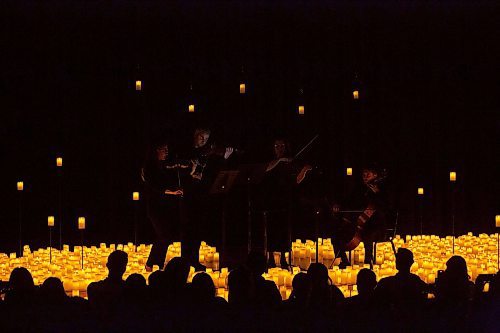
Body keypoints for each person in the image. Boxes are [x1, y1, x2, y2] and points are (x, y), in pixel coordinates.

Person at [182, 128, 234, 271]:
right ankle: (186, 260)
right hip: (189, 196)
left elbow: (213, 174)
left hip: (201, 196)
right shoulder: (188, 152)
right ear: (195, 137)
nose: (204, 141)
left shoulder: (208, 155)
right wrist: (191, 174)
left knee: (198, 230)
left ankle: (193, 259)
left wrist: (224, 158)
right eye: (201, 137)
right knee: (189, 230)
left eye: (206, 138)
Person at [331, 163, 391, 267]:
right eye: (363, 174)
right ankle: (344, 261)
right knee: (335, 235)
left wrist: (378, 194)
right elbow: (348, 201)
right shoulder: (359, 189)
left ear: (375, 175)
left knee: (369, 235)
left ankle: (368, 262)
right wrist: (338, 205)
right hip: (357, 225)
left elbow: (387, 208)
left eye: (368, 174)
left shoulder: (383, 190)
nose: (365, 177)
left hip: (376, 227)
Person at [142, 139, 186, 271]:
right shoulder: (149, 166)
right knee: (164, 236)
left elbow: (172, 168)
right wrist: (171, 192)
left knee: (166, 236)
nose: (167, 153)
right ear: (156, 151)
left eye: (167, 150)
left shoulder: (163, 165)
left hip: (164, 207)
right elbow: (154, 186)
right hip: (155, 207)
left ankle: (157, 264)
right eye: (164, 150)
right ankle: (151, 264)